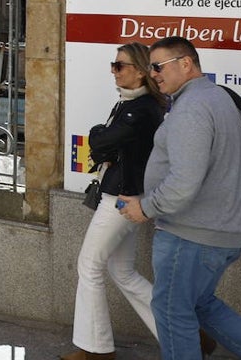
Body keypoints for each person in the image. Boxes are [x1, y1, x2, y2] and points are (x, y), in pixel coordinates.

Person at [119, 36, 241, 360]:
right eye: (150, 67)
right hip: (219, 232)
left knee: (172, 313)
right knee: (201, 305)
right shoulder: (217, 97)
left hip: (191, 236)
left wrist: (146, 207)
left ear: (186, 63)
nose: (153, 73)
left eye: (158, 66)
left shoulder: (192, 108)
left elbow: (185, 181)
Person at [61, 42, 165, 360]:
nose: (113, 71)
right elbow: (106, 142)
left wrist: (100, 134)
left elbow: (103, 139)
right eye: (113, 64)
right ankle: (183, 332)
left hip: (123, 197)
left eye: (120, 65)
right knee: (123, 272)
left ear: (140, 71)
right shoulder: (130, 104)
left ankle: (96, 349)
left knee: (89, 265)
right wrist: (103, 136)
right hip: (125, 193)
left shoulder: (142, 109)